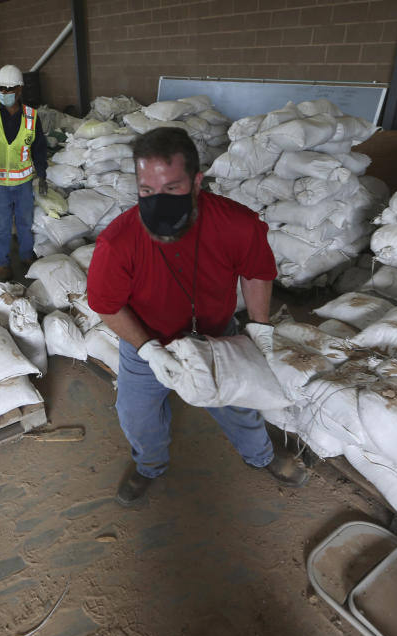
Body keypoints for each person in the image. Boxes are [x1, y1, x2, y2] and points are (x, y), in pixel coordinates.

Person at [87, 127, 309, 507]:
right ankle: (150, 465)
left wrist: (259, 329)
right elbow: (107, 304)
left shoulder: (236, 224)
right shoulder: (118, 241)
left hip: (216, 337)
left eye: (172, 189)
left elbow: (256, 270)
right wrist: (148, 351)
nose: (158, 201)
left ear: (196, 181)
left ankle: (261, 456)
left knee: (238, 404)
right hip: (147, 343)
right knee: (137, 415)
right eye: (146, 191)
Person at [0, 64, 48, 281]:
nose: (4, 93)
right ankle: (3, 263)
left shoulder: (32, 116)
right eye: (1, 88)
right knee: (1, 225)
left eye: (9, 88)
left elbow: (39, 148)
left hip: (23, 183)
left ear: (20, 89)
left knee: (24, 222)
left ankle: (25, 255)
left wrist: (42, 174)